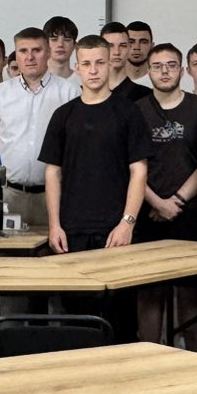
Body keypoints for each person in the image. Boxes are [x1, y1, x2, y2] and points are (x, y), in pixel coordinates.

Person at [39, 35, 148, 269]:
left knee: (118, 292)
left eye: (99, 63)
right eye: (86, 64)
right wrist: (54, 226)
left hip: (116, 227)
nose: (93, 70)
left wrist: (127, 223)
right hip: (72, 228)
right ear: (77, 67)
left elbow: (139, 171)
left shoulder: (129, 112)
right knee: (76, 292)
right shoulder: (63, 115)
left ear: (110, 64)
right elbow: (52, 173)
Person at [136, 43, 197, 351]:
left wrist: (176, 201)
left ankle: (195, 360)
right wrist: (156, 202)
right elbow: (130, 166)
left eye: (170, 65)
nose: (164, 71)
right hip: (147, 213)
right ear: (148, 71)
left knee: (191, 292)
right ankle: (148, 360)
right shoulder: (136, 110)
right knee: (149, 292)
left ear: (181, 70)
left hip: (191, 212)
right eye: (157, 66)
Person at [0, 28, 78, 232]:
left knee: (54, 250)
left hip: (54, 195)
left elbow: (78, 148)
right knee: (5, 252)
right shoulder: (1, 93)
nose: (29, 57)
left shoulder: (70, 92)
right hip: (8, 195)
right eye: (23, 51)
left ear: (48, 52)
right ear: (16, 55)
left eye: (36, 50)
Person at [102, 21, 149, 101]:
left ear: (129, 48)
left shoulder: (145, 95)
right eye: (110, 46)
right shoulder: (87, 93)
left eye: (122, 46)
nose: (117, 52)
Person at [45, 15, 78, 81]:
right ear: (45, 44)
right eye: (54, 39)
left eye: (67, 40)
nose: (60, 44)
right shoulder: (35, 80)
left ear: (75, 45)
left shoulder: (83, 81)